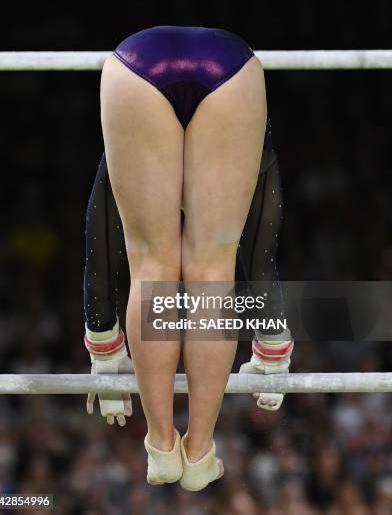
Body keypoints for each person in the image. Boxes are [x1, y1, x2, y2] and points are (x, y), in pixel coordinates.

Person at [82, 26, 293, 491]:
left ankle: (161, 445)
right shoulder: (244, 155)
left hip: (135, 69)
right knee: (213, 270)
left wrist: (105, 346)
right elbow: (261, 252)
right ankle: (199, 450)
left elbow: (99, 246)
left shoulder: (131, 160)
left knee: (151, 265)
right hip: (230, 70)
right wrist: (272, 347)